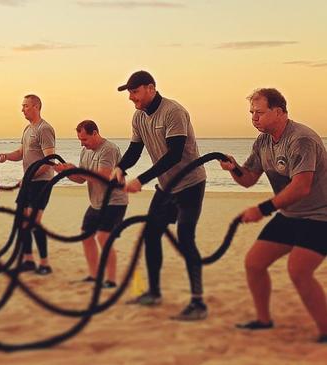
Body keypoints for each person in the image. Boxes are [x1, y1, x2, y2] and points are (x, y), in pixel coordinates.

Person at [219, 88, 327, 343]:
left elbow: (302, 186)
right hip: (291, 215)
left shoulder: (301, 139)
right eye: (251, 113)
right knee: (254, 263)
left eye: (259, 112)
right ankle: (263, 320)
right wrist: (234, 168)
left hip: (321, 216)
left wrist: (262, 209)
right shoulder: (263, 142)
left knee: (298, 270)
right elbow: (248, 179)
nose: (254, 118)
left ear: (279, 112)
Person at [112, 70, 208, 320]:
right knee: (151, 234)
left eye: (135, 92)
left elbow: (175, 154)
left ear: (150, 88)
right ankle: (154, 292)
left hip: (190, 184)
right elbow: (134, 151)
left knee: (186, 238)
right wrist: (120, 167)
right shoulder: (138, 117)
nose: (131, 98)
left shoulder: (173, 111)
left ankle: (198, 303)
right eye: (129, 93)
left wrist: (141, 180)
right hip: (166, 188)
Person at [54, 120, 128, 287]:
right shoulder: (85, 152)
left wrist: (76, 170)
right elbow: (81, 179)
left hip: (114, 202)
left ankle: (111, 280)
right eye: (80, 140)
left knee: (103, 238)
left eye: (85, 140)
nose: (82, 144)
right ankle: (94, 276)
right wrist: (66, 172)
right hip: (96, 202)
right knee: (86, 235)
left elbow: (102, 176)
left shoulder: (109, 149)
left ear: (95, 133)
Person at [0, 94, 56, 275]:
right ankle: (29, 260)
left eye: (25, 106)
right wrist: (6, 156)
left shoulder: (44, 129)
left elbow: (49, 160)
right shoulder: (27, 129)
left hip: (41, 182)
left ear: (36, 107)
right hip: (29, 182)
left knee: (34, 222)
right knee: (22, 221)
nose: (22, 109)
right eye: (22, 106)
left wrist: (29, 176)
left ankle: (45, 263)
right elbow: (21, 153)